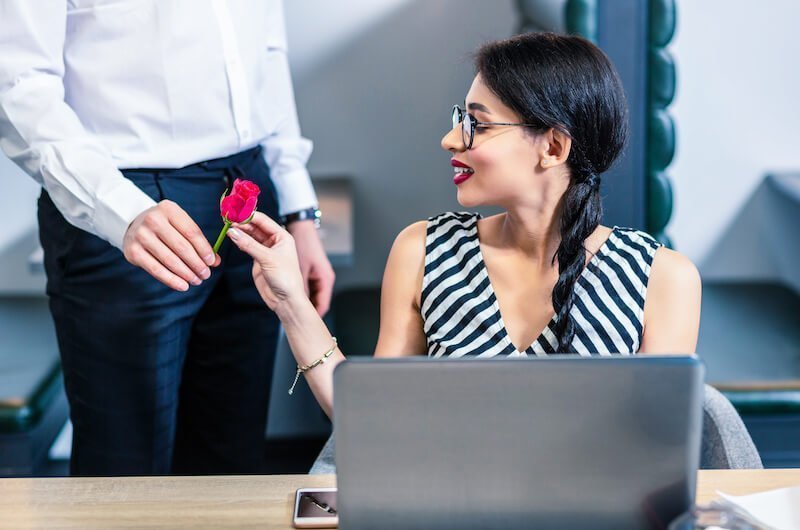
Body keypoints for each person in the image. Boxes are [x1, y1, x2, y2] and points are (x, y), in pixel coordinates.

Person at [228, 32, 701, 419]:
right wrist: (292, 303)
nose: (450, 139)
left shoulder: (664, 279)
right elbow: (375, 422)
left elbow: (652, 454)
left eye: (478, 124)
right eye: (460, 119)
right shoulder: (423, 250)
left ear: (553, 147)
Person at [0, 0, 334, 475]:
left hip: (248, 187)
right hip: (126, 204)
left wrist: (300, 209)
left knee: (231, 461)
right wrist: (120, 208)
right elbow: (18, 81)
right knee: (124, 473)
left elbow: (267, 52)